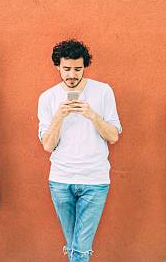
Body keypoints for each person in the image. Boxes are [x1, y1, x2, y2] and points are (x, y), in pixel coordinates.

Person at [38, 39, 122, 262]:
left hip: (95, 180)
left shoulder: (103, 91)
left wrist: (92, 114)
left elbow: (113, 136)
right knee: (74, 247)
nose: (72, 74)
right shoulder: (47, 98)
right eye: (66, 69)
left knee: (80, 249)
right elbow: (47, 145)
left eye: (77, 69)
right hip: (60, 180)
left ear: (85, 66)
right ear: (58, 66)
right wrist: (59, 116)